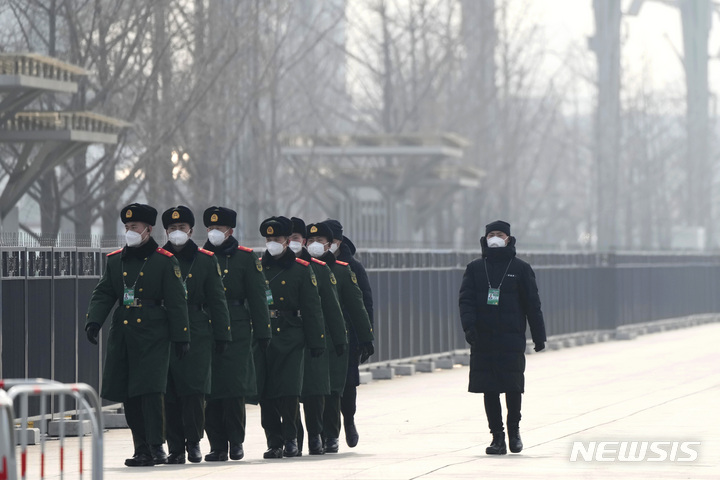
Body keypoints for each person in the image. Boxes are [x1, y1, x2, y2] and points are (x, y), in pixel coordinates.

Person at [84, 203, 190, 467]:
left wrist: (181, 336)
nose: (130, 231)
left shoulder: (165, 261)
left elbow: (177, 302)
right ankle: (140, 447)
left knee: (152, 391)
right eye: (127, 227)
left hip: (154, 332)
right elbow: (104, 292)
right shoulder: (116, 260)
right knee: (130, 392)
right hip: (125, 334)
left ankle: (157, 446)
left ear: (148, 229)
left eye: (135, 227)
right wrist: (94, 322)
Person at [458, 220, 547, 455]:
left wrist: (539, 336)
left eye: (499, 234)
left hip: (511, 337)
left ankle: (514, 432)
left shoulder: (520, 268)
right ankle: (497, 437)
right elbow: (466, 301)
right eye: (491, 235)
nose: (495, 238)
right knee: (489, 388)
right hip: (483, 338)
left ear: (508, 239)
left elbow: (532, 304)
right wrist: (469, 327)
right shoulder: (475, 269)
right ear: (485, 239)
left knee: (513, 386)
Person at [160, 206, 231, 464]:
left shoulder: (204, 259)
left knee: (194, 391)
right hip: (165, 330)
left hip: (198, 329)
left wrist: (222, 334)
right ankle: (175, 447)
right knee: (169, 392)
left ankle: (193, 442)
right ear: (165, 232)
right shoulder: (159, 258)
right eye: (172, 229)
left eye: (182, 228)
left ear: (191, 230)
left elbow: (217, 300)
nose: (177, 233)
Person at [201, 206, 272, 462]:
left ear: (230, 231)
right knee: (210, 391)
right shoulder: (201, 256)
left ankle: (235, 441)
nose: (213, 233)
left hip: (237, 327)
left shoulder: (245, 258)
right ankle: (216, 445)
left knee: (233, 389)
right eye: (210, 228)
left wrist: (263, 332)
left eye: (218, 229)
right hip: (207, 327)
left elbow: (257, 298)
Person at [256, 216, 326, 459]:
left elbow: (312, 307)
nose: (272, 243)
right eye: (268, 239)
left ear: (287, 240)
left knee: (289, 391)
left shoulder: (301, 270)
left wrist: (317, 341)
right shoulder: (258, 267)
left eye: (277, 238)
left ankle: (291, 439)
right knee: (266, 392)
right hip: (264, 334)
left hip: (292, 334)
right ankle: (274, 441)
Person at [306, 221, 373, 453]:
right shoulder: (308, 266)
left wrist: (367, 337)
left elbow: (363, 303)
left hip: (347, 332)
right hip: (318, 332)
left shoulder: (350, 266)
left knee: (346, 382)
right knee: (322, 385)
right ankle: (321, 432)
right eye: (311, 241)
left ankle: (349, 419)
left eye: (325, 241)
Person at [288, 217, 348, 456]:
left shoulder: (329, 270)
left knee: (324, 391)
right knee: (291, 391)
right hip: (292, 335)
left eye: (317, 240)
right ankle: (293, 439)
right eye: (308, 239)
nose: (311, 243)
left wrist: (352, 339)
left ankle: (325, 435)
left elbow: (338, 308)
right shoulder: (287, 267)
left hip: (324, 337)